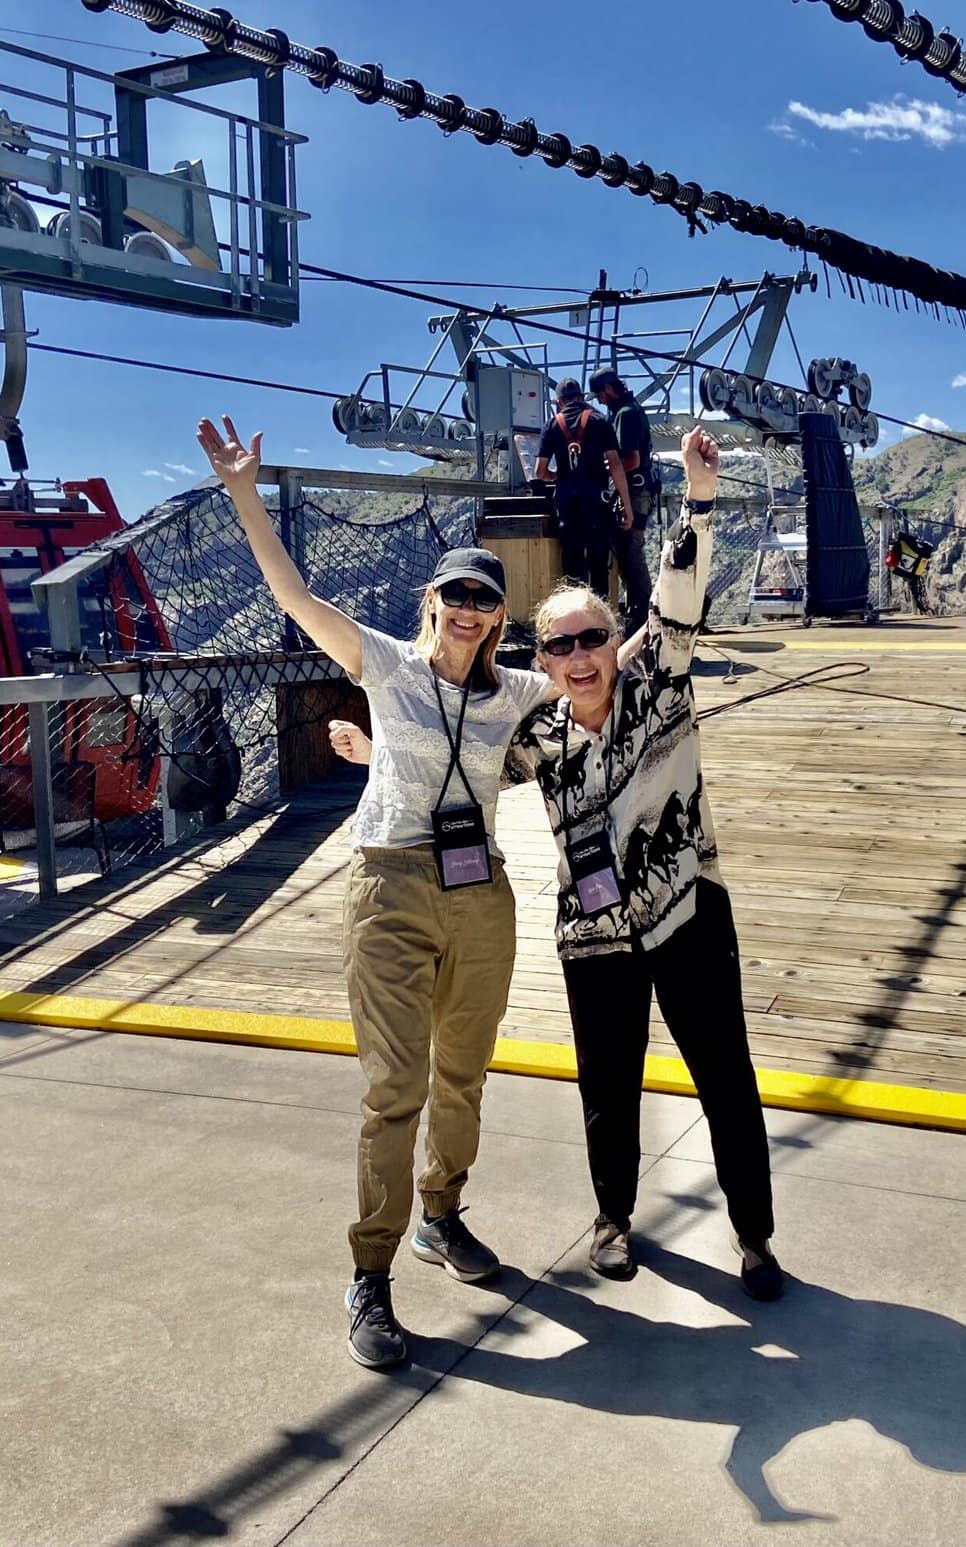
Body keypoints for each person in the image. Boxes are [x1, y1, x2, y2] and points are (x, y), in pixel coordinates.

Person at [336, 428, 784, 1301]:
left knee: (724, 1075)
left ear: (617, 639)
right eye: (560, 646)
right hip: (594, 931)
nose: (580, 658)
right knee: (607, 1087)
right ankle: (613, 1220)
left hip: (687, 909)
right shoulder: (535, 728)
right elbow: (456, 763)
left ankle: (755, 1236)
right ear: (539, 660)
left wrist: (697, 500)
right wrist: (373, 751)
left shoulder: (659, 678)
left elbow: (682, 603)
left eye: (592, 639)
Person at [196, 414, 561, 1373]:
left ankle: (443, 1214)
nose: (472, 610)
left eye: (486, 598)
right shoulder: (387, 665)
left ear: (497, 613)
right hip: (391, 887)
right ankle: (372, 1271)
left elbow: (602, 668)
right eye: (457, 595)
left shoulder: (513, 692)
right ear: (431, 600)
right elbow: (291, 593)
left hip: (480, 894)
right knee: (393, 1087)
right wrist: (243, 492)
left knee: (464, 1074)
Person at [534, 378, 633, 597]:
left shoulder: (551, 426)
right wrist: (625, 506)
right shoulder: (599, 421)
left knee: (572, 568)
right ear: (581, 397)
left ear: (559, 402)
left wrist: (558, 476)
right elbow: (615, 465)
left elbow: (539, 472)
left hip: (568, 508)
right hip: (598, 505)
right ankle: (599, 624)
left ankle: (574, 622)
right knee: (599, 566)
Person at [591, 367, 657, 639]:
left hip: (633, 492)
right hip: (639, 490)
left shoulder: (625, 414)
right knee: (630, 555)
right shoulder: (631, 410)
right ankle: (641, 617)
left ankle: (644, 619)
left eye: (599, 395)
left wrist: (601, 467)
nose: (599, 401)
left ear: (607, 390)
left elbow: (630, 459)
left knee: (631, 555)